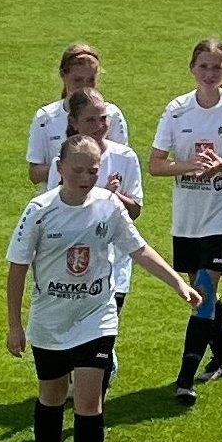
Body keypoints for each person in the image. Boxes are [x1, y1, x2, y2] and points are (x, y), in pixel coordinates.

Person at [7, 135, 201, 442]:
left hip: (96, 317)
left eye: (92, 170)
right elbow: (17, 269)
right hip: (51, 320)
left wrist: (178, 283)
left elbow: (138, 248)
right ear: (60, 168)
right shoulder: (40, 211)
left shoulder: (109, 205)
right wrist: (15, 326)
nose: (85, 177)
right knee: (51, 396)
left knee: (88, 400)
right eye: (77, 170)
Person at [149, 39, 222, 405]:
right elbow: (155, 164)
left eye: (217, 67)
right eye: (204, 66)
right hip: (187, 216)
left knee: (202, 290)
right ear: (192, 69)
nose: (210, 73)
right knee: (203, 293)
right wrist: (191, 166)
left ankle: (185, 379)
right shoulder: (177, 110)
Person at [47, 88, 144, 395]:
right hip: (72, 268)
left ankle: (93, 401)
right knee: (74, 339)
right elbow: (53, 209)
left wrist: (117, 197)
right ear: (74, 123)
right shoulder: (62, 162)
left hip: (115, 266)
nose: (100, 125)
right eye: (91, 120)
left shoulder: (125, 157)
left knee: (98, 339)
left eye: (103, 118)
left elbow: (136, 211)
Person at [27, 43, 129, 186]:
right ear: (63, 75)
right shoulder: (45, 118)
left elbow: (122, 162)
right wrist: (71, 169)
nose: (84, 86)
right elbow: (34, 173)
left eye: (90, 80)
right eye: (78, 80)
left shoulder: (111, 115)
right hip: (59, 198)